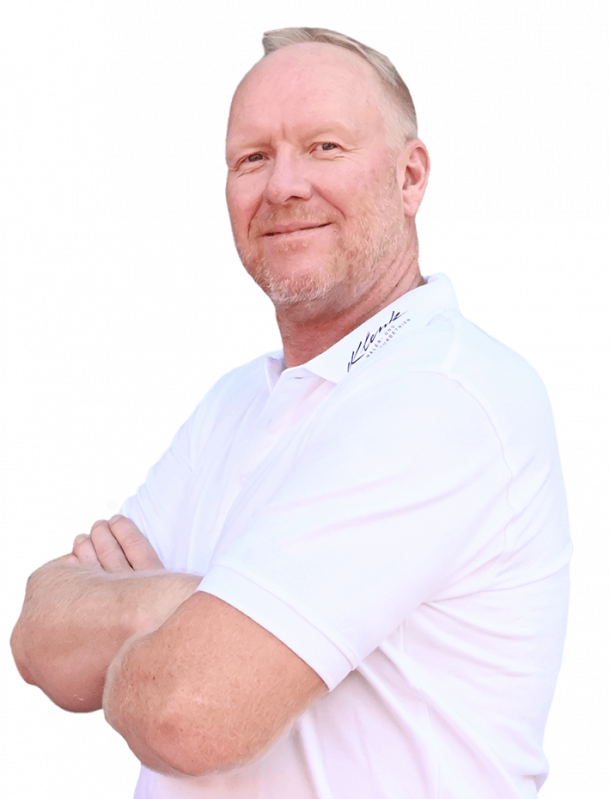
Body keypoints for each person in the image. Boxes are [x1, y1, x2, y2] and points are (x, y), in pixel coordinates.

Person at [10, 26, 573, 799]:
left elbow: (188, 713)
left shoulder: (447, 394)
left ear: (410, 177)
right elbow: (39, 635)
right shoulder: (235, 399)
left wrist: (166, 629)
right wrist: (201, 604)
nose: (283, 187)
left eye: (324, 147)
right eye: (252, 158)